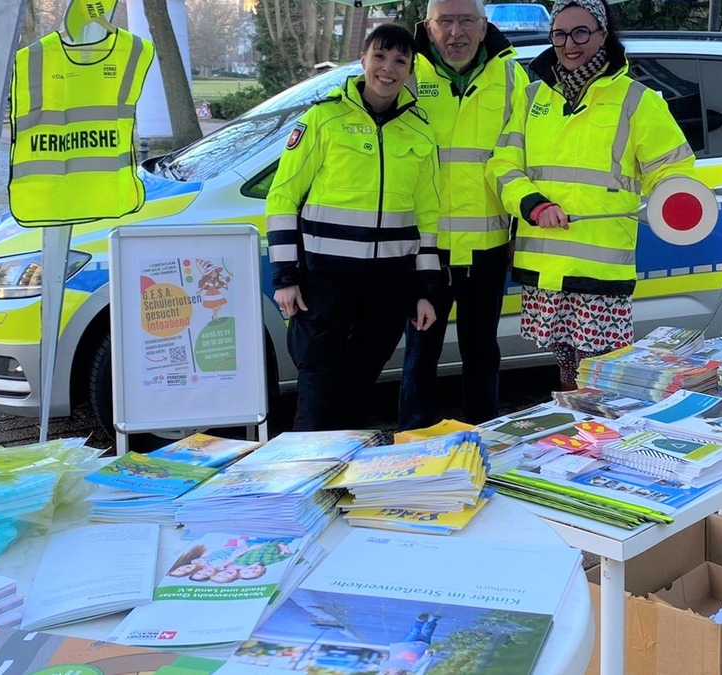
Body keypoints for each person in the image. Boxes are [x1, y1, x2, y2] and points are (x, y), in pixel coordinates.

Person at [486, 0, 695, 391]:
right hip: (546, 266)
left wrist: (674, 206)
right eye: (560, 34)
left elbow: (673, 170)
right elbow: (502, 166)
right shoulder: (531, 98)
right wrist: (534, 205)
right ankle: (576, 441)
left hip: (600, 271)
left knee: (603, 381)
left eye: (581, 32)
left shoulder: (637, 100)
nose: (570, 44)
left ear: (603, 34)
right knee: (566, 375)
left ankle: (603, 443)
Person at [267, 23, 441, 431]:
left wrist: (426, 291)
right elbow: (282, 199)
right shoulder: (323, 119)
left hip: (388, 284)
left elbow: (428, 217)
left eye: (400, 60)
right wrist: (285, 276)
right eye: (379, 56)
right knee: (318, 384)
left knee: (359, 385)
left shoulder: (420, 130)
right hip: (325, 281)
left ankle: (345, 480)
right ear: (363, 60)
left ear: (410, 69)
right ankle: (304, 478)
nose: (388, 68)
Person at [398, 0, 529, 431]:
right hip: (423, 251)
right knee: (419, 355)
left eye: (466, 21)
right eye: (446, 21)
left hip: (486, 249)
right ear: (428, 26)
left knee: (481, 353)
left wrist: (519, 234)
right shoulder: (405, 71)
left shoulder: (512, 76)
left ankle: (484, 439)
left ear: (483, 24)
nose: (456, 32)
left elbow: (529, 160)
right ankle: (414, 445)